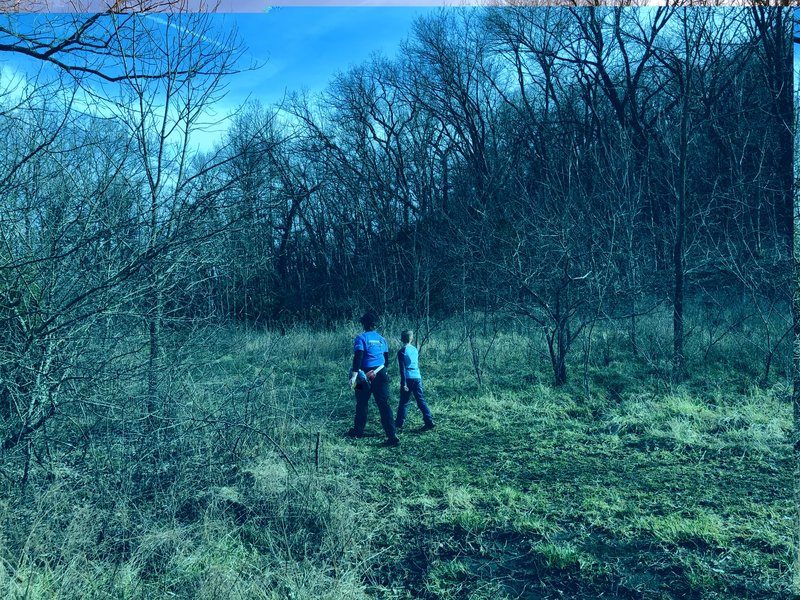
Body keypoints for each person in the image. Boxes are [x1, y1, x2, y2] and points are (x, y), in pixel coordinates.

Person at [347, 311, 400, 447]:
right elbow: (386, 360)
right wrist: (376, 371)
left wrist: (353, 376)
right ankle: (392, 435)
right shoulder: (382, 339)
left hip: (362, 375)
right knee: (384, 404)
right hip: (381, 373)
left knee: (361, 403)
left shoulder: (361, 338)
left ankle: (358, 431)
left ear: (363, 324)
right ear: (374, 325)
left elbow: (358, 357)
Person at [395, 330, 435, 431]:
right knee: (421, 400)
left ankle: (399, 422)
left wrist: (403, 383)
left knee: (404, 401)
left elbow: (402, 369)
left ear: (401, 339)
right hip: (417, 376)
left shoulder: (402, 351)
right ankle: (429, 420)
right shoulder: (415, 349)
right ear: (411, 338)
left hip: (408, 377)